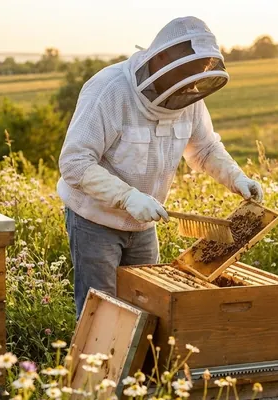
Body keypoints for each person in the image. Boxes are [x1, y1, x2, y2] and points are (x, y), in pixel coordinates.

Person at [57, 16, 264, 317]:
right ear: (162, 57)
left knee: (146, 308)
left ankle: (138, 366)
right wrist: (127, 197)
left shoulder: (189, 99)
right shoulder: (110, 90)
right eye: (187, 74)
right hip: (95, 221)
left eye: (198, 76)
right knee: (99, 313)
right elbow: (74, 163)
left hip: (143, 225)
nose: (191, 85)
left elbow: (204, 149)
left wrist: (237, 178)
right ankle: (93, 365)